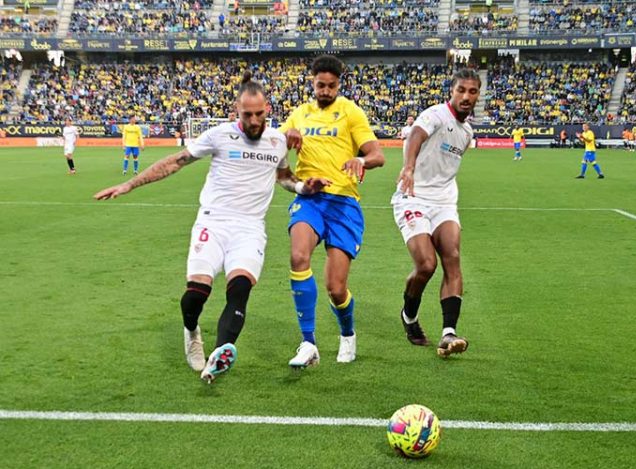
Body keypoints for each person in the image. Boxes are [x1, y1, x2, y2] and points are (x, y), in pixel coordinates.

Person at [94, 77, 329, 383]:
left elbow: (283, 176)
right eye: (248, 114)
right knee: (196, 294)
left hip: (249, 228)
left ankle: (218, 355)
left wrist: (301, 186)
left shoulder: (278, 141)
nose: (254, 120)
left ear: (267, 110)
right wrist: (130, 183)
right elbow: (176, 162)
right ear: (237, 111)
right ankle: (192, 331)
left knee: (240, 287)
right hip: (213, 222)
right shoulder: (219, 135)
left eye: (260, 114)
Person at [280, 55, 385, 368]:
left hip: (343, 203)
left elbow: (377, 155)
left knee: (336, 288)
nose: (325, 90)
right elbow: (273, 146)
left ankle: (347, 332)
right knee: (299, 257)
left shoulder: (351, 112)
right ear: (312, 83)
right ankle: (308, 342)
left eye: (331, 86)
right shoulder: (299, 114)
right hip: (310, 198)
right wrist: (285, 138)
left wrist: (361, 161)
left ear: (339, 85)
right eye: (320, 85)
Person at [391, 69, 480, 358]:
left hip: (444, 201)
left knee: (452, 257)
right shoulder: (436, 114)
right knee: (427, 265)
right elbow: (416, 134)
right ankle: (409, 317)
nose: (466, 96)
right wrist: (408, 167)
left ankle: (448, 333)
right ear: (451, 92)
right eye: (461, 90)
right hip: (413, 196)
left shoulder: (467, 133)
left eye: (472, 91)